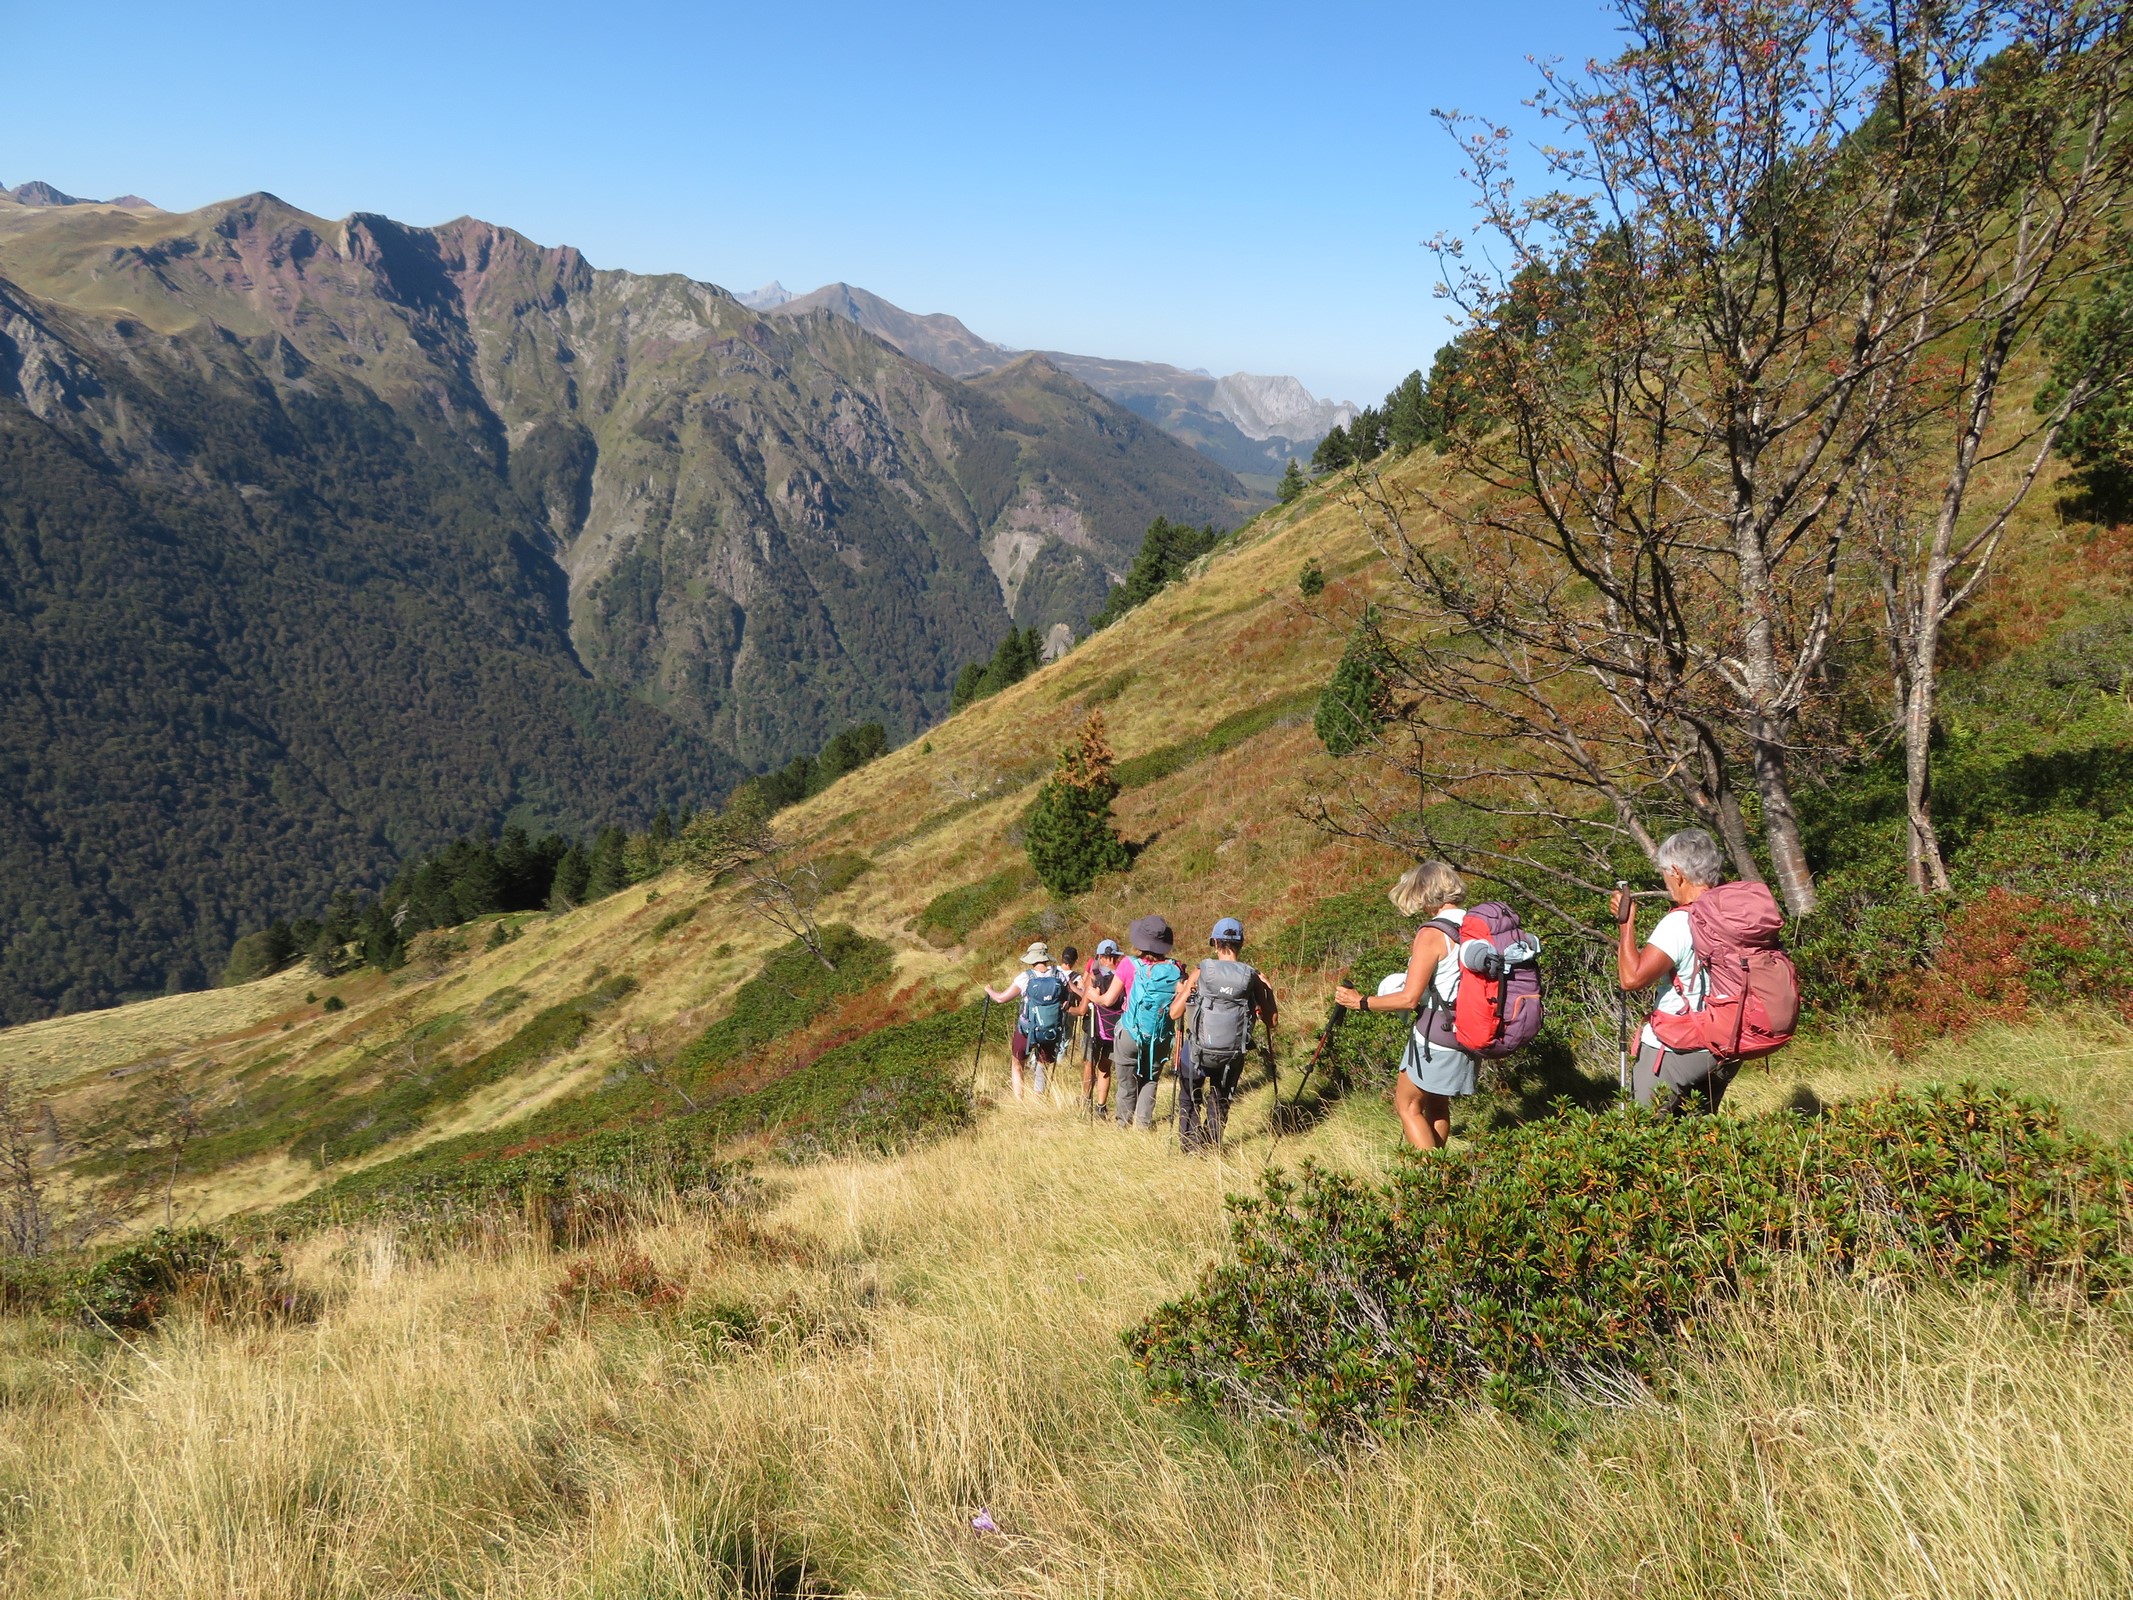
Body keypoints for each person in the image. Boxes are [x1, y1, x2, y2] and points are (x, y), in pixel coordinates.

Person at [1334, 860, 1474, 1152]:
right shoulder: (1474, 924)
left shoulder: (1433, 933)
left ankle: (1429, 1183)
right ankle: (1440, 1172)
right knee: (1437, 1104)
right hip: (1471, 1027)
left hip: (1437, 1033)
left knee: (1407, 1104)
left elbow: (1409, 998)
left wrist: (1361, 1002)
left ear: (1425, 893)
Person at [1613, 828, 1733, 1116]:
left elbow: (1631, 979)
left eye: (1666, 874)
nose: (1666, 882)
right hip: (1724, 1043)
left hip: (1677, 1045)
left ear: (1677, 872)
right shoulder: (1732, 910)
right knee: (1699, 1137)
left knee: (1643, 1135)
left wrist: (1626, 924)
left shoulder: (1680, 923)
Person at [1170, 916, 1279, 1152]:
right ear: (1241, 943)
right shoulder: (1253, 976)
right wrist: (1267, 990)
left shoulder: (1202, 971)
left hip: (1197, 1052)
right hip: (1232, 1054)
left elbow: (1174, 1013)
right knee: (1220, 1100)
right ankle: (1213, 1147)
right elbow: (1272, 1021)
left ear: (1215, 942)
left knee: (1189, 1099)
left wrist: (1185, 990)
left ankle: (1190, 1150)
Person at [1096, 915, 1182, 1129]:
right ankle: (1143, 1127)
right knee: (1150, 1080)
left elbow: (1108, 1000)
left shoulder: (1128, 964)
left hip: (1130, 1033)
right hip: (1159, 1035)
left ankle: (1122, 1125)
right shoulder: (1176, 968)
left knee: (1126, 1083)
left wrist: (1091, 995)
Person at [983, 942, 1068, 1100]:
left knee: (1017, 1063)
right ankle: (1038, 1100)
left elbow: (1001, 999)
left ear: (1032, 959)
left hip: (1026, 1029)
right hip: (1050, 1029)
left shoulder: (1026, 977)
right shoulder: (1058, 975)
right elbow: (1066, 999)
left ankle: (1019, 1101)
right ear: (1046, 958)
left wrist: (989, 990)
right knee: (1042, 1064)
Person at [1077, 938, 1125, 1116]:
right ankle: (1101, 1106)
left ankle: (1085, 1099)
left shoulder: (1094, 974)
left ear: (1100, 956)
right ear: (1115, 956)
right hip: (1117, 1029)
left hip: (1095, 1028)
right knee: (1105, 1066)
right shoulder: (1124, 974)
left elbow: (1083, 1008)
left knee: (1090, 1063)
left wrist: (1071, 1007)